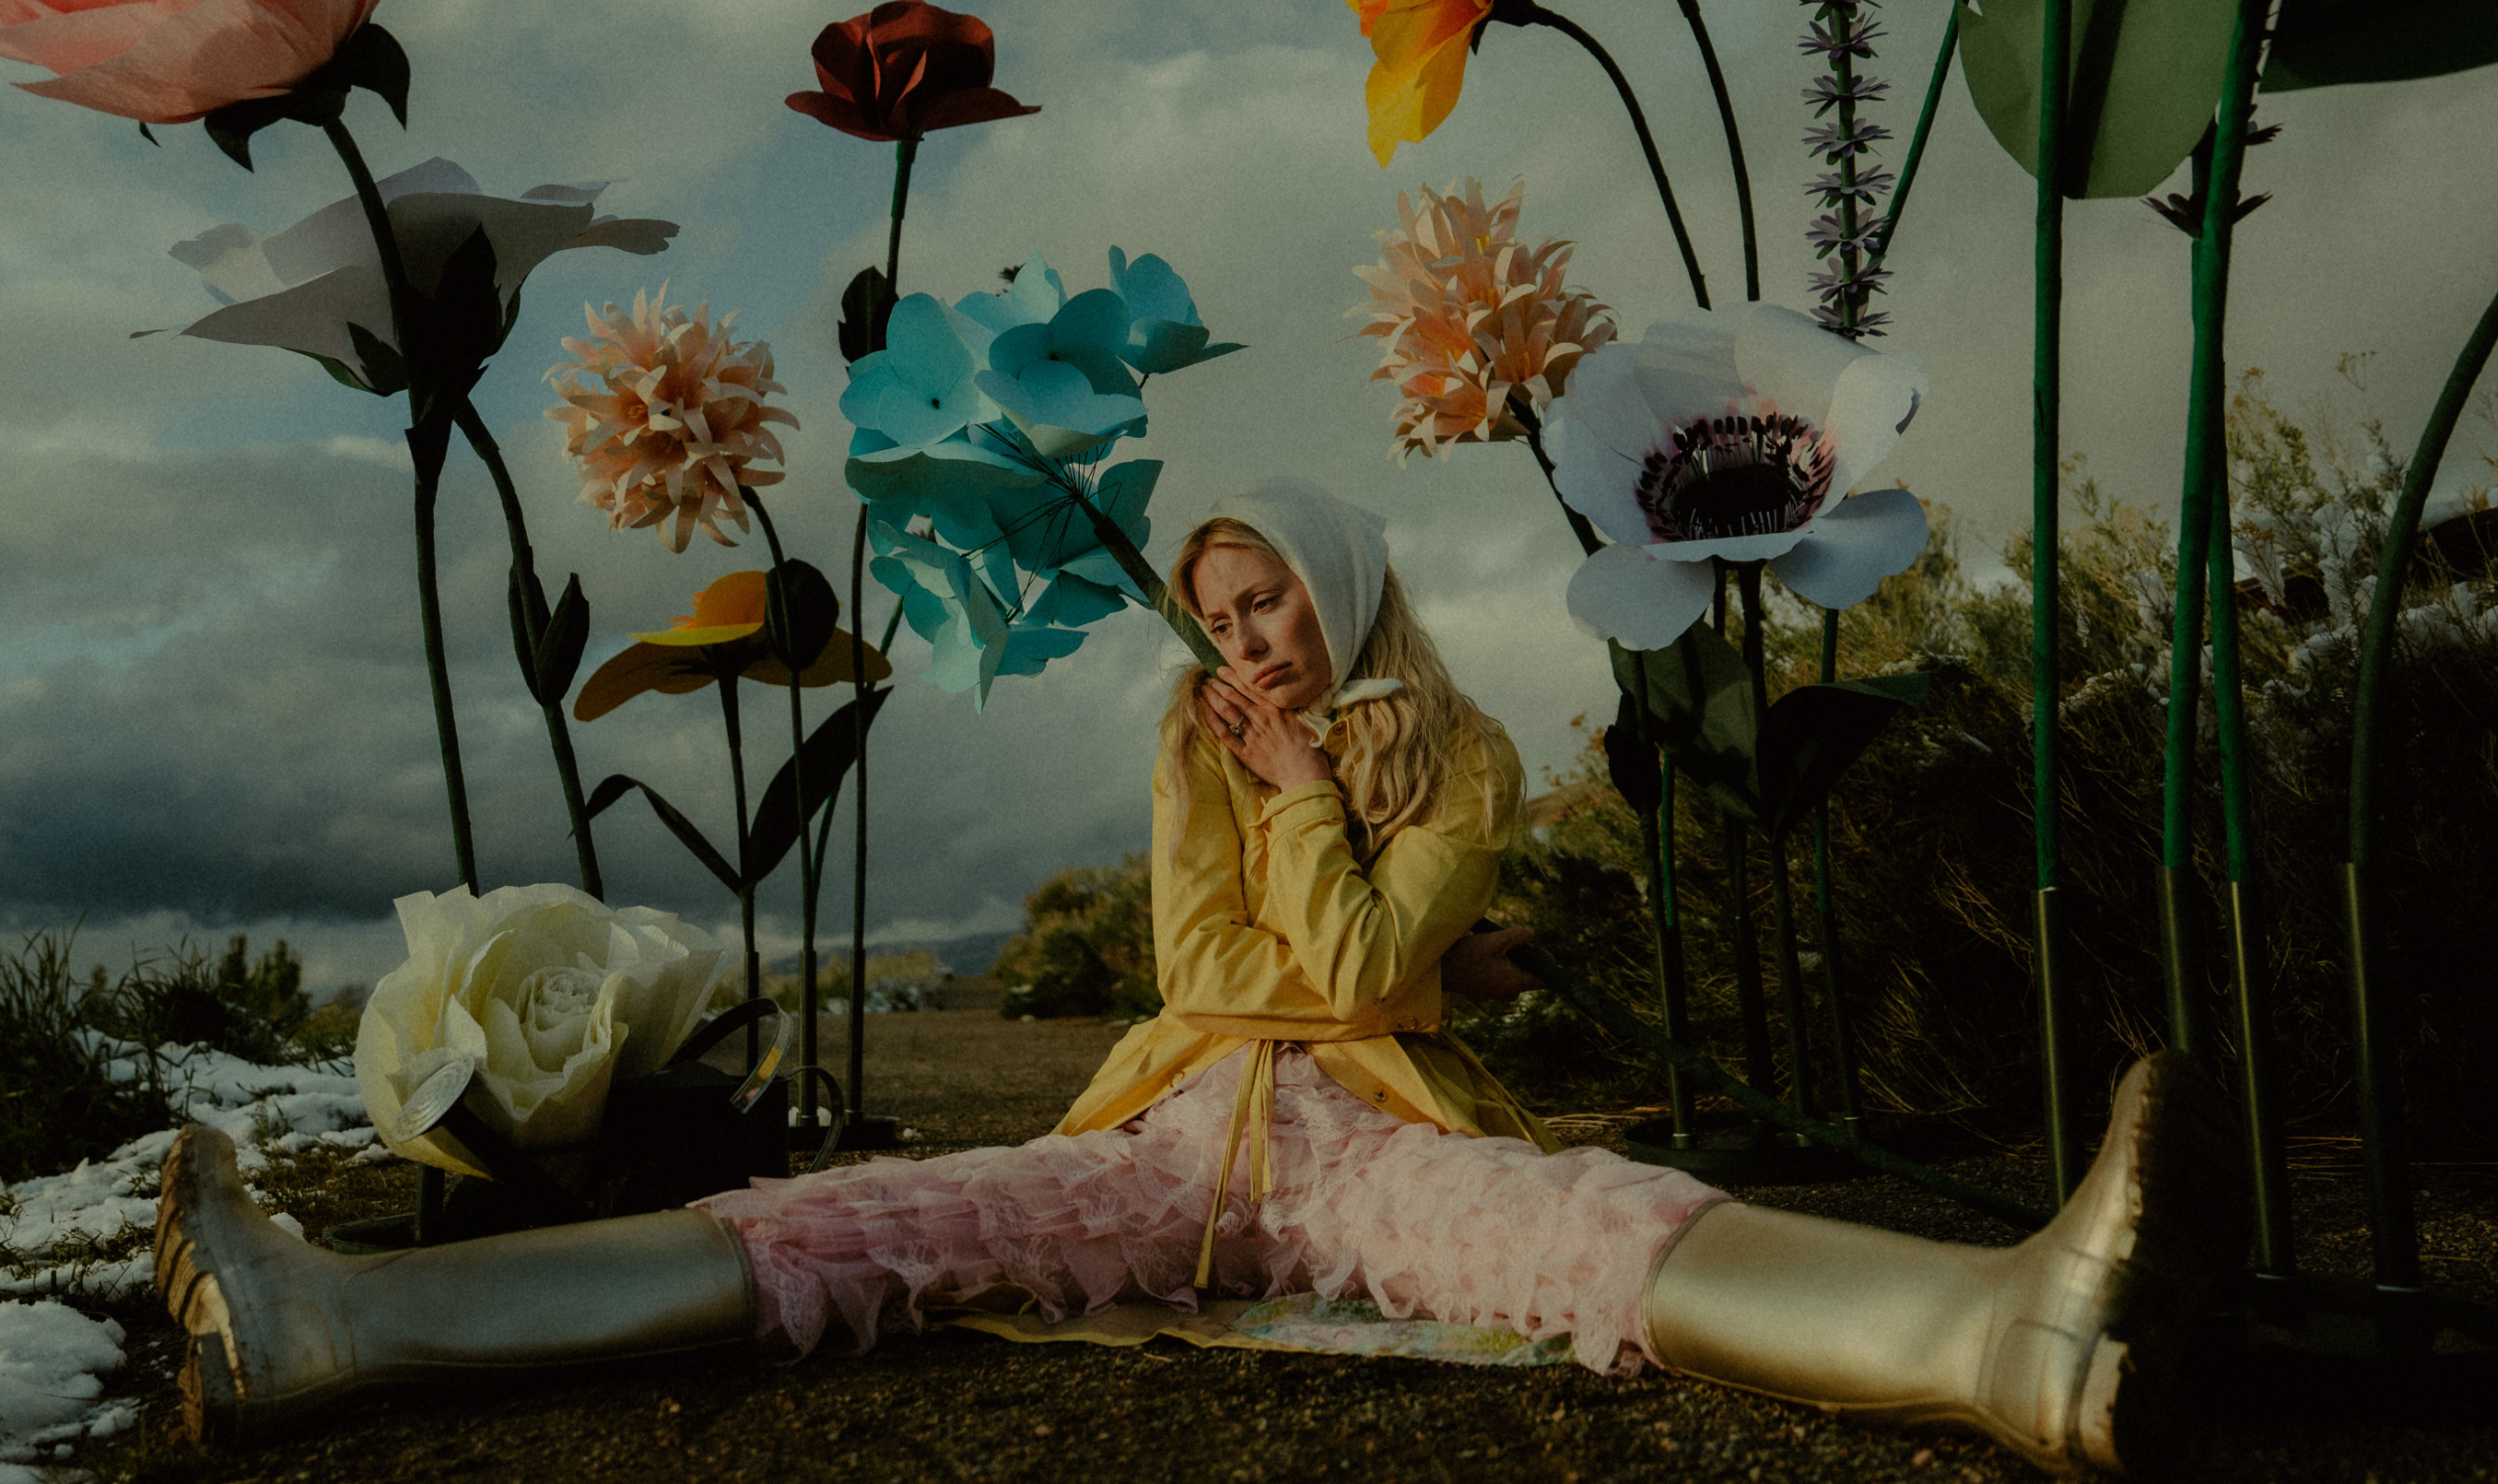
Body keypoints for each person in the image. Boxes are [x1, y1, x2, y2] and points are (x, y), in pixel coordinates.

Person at [154, 477, 2243, 1476]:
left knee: (1583, 1228)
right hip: (1170, 1121)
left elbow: (1337, 953)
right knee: (866, 1223)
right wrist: (1352, 911)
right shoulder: (1192, 738)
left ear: (1340, 591)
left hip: (1364, 1144)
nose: (1243, 646)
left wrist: (1327, 817)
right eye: (1219, 620)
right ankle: (337, 1318)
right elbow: (1207, 960)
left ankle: (1999, 1337)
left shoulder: (1460, 748)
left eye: (1269, 607)